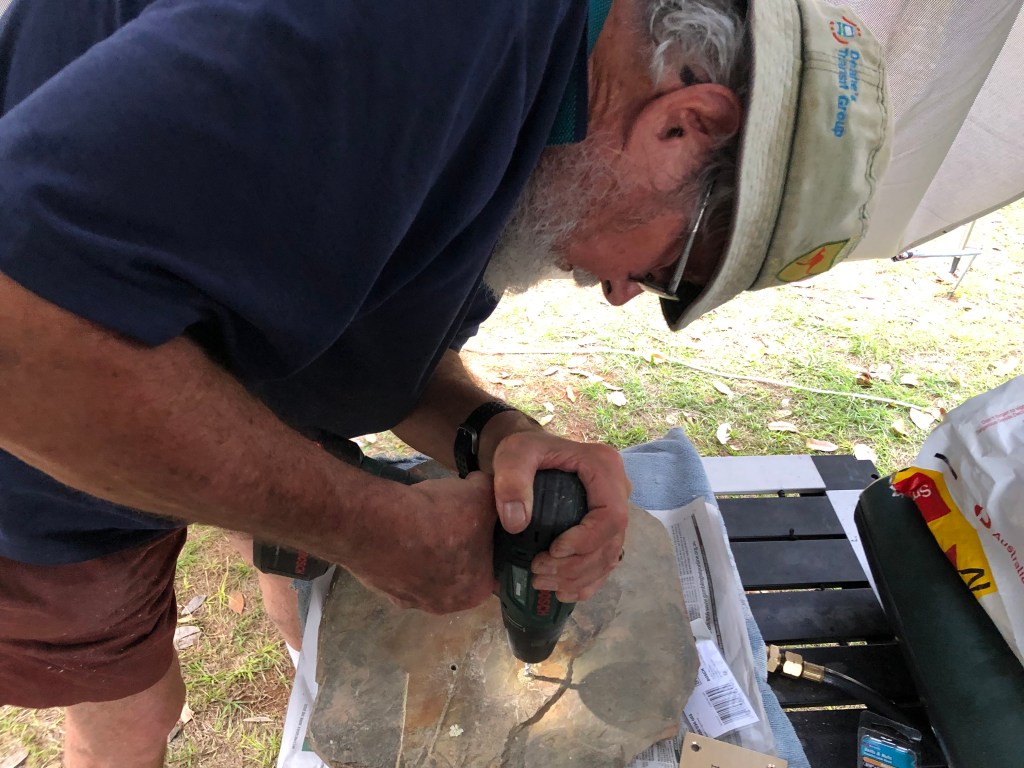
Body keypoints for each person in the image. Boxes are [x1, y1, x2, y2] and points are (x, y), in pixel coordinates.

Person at [0, 0, 890, 765]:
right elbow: (21, 331)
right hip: (49, 415)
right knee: (129, 710)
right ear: (685, 123)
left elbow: (379, 341)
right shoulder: (414, 31)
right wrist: (367, 528)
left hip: (157, 352)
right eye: (671, 271)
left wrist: (496, 433)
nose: (623, 292)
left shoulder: (534, 109)